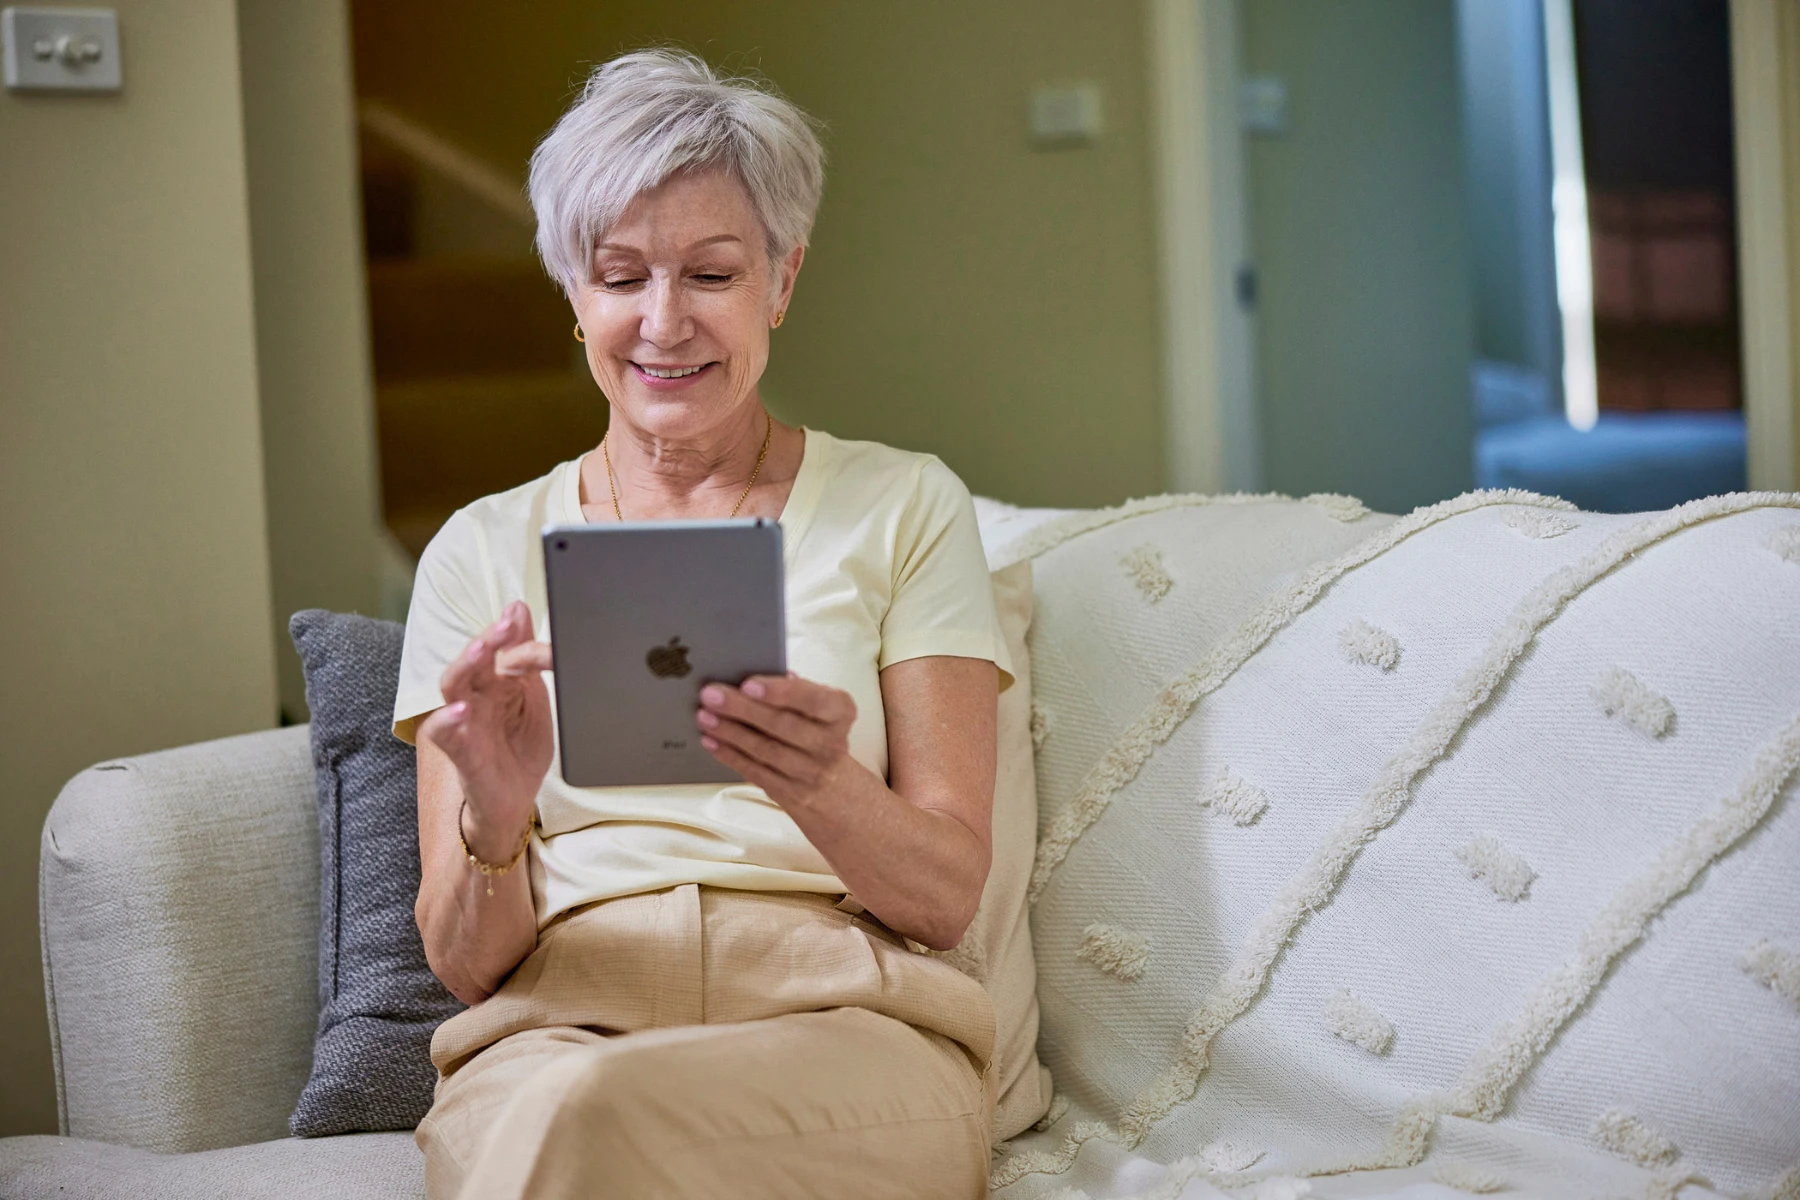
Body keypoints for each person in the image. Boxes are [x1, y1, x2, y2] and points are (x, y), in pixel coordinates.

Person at [392, 48, 1013, 1200]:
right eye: (619, 276)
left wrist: (821, 782)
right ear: (573, 300)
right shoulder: (478, 549)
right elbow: (465, 965)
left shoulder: (905, 504)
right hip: (552, 1024)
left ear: (780, 282)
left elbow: (942, 896)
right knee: (567, 1107)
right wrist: (496, 809)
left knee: (589, 1128)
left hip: (842, 1022)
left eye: (711, 275)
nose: (662, 322)